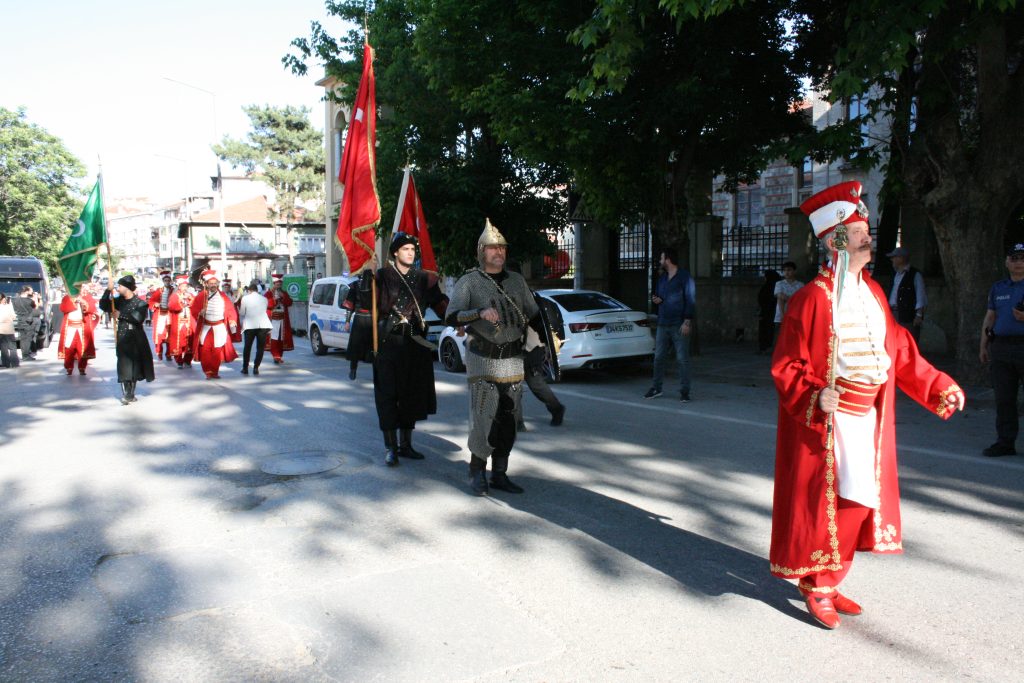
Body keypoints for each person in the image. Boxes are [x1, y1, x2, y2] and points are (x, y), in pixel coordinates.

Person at [771, 180, 965, 629]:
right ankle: (818, 585)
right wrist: (816, 394)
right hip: (829, 420)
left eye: (864, 229)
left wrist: (937, 386)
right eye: (858, 231)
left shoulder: (875, 291)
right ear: (835, 239)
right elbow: (786, 365)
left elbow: (898, 348)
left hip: (869, 417)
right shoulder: (810, 299)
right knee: (828, 503)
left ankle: (829, 579)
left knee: (858, 502)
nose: (867, 236)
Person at [446, 220, 545, 495]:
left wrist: (544, 345)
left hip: (513, 359)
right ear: (481, 251)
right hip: (483, 358)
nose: (498, 252)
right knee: (484, 417)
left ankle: (500, 473)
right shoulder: (469, 282)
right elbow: (452, 315)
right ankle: (477, 470)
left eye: (501, 247)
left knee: (508, 420)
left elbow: (534, 314)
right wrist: (478, 312)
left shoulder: (516, 281)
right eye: (492, 247)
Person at [371, 232, 448, 467]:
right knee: (387, 396)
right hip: (387, 343)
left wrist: (460, 320)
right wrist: (367, 278)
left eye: (413, 249)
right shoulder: (381, 276)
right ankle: (391, 448)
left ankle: (406, 445)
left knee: (411, 395)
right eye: (405, 249)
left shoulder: (424, 278)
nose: (410, 252)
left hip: (415, 343)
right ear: (395, 252)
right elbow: (365, 304)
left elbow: (441, 304)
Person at [979, 242, 1024, 457]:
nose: (1018, 263)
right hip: (1001, 348)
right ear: (1007, 262)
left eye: (1022, 258)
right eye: (1014, 258)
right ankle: (1005, 442)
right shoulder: (998, 288)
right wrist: (984, 346)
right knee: (1004, 398)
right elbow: (990, 318)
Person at [644, 248, 696, 402]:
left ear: (668, 260)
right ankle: (656, 388)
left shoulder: (684, 277)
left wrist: (687, 321)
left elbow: (690, 299)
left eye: (661, 259)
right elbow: (660, 297)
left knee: (682, 358)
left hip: (679, 323)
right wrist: (657, 300)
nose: (660, 262)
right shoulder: (662, 279)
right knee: (658, 357)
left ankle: (684, 391)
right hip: (663, 323)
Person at [99, 275, 156, 405]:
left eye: (120, 286)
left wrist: (121, 315)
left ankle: (130, 392)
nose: (118, 288)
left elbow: (138, 318)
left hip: (136, 336)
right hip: (123, 335)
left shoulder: (140, 303)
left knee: (135, 364)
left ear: (127, 288)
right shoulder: (118, 301)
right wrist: (108, 290)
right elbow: (103, 305)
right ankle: (127, 391)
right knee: (124, 363)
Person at [190, 270, 241, 379]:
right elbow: (193, 311)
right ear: (207, 284)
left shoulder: (223, 296)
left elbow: (230, 310)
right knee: (206, 350)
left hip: (219, 327)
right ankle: (208, 371)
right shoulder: (201, 296)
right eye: (211, 283)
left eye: (215, 283)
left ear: (217, 284)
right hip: (206, 327)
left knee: (217, 350)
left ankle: (215, 371)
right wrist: (200, 313)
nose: (213, 285)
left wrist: (232, 320)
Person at [886, 247, 927, 343]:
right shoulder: (894, 274)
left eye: (894, 257)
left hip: (907, 315)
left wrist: (918, 315)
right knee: (894, 341)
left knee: (908, 341)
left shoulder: (915, 274)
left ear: (901, 258)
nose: (892, 260)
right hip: (893, 312)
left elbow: (921, 295)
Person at [342, 269, 375, 380]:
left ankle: (354, 369)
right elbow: (350, 305)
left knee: (370, 347)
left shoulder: (374, 284)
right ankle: (353, 370)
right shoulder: (358, 285)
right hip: (367, 318)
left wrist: (347, 321)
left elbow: (349, 306)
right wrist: (347, 321)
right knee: (363, 346)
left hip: (365, 319)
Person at [57, 290, 98, 375]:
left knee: (82, 349)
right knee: (69, 348)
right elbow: (63, 308)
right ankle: (69, 367)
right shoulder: (67, 297)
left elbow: (92, 308)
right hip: (70, 327)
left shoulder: (87, 297)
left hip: (82, 327)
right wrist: (73, 301)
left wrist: (83, 301)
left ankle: (82, 367)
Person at [239, 284, 272, 375]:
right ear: (257, 290)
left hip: (250, 325)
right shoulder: (264, 299)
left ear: (249, 290)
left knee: (247, 347)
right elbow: (264, 310)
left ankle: (245, 368)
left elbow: (242, 312)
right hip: (263, 325)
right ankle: (256, 367)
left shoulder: (245, 298)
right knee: (260, 347)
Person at [167, 275, 196, 369]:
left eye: (186, 286)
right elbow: (172, 306)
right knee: (178, 342)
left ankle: (188, 360)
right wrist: (183, 303)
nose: (184, 288)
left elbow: (196, 305)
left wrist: (191, 301)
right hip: (178, 322)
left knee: (190, 341)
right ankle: (179, 360)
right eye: (183, 286)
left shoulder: (190, 295)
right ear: (179, 286)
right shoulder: (174, 295)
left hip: (189, 322)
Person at [265, 274, 294, 364]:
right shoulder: (269, 293)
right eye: (277, 284)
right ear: (274, 284)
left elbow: (289, 303)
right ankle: (275, 355)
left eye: (280, 284)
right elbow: (267, 305)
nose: (279, 285)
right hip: (273, 318)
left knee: (281, 337)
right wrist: (275, 300)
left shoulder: (284, 292)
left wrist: (283, 297)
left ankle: (279, 355)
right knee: (274, 337)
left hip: (283, 318)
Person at [147, 270, 175, 360]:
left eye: (168, 280)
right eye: (165, 281)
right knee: (159, 334)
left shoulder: (174, 290)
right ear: (163, 281)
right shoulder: (159, 291)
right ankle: (159, 352)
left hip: (170, 315)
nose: (167, 282)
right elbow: (151, 301)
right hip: (160, 316)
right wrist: (155, 304)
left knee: (170, 335)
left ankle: (169, 354)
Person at [757, 269, 782, 354]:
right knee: (768, 330)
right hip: (770, 312)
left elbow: (765, 299)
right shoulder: (775, 285)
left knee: (767, 330)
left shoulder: (770, 287)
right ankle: (766, 347)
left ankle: (765, 347)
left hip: (768, 312)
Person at [774, 261, 803, 329]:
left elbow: (801, 300)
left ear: (794, 271)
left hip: (795, 315)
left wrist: (788, 299)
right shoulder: (779, 284)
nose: (786, 272)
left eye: (789, 270)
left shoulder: (800, 285)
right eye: (784, 270)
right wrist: (793, 300)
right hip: (781, 317)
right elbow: (780, 296)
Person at [11, 286, 38, 361]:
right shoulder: (29, 301)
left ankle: (24, 354)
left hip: (19, 320)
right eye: (30, 290)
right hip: (28, 321)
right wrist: (35, 298)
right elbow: (35, 308)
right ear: (26, 291)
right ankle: (26, 355)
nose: (32, 292)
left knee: (22, 338)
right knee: (28, 339)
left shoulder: (14, 300)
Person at [0, 293, 17, 368]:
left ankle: (5, 363)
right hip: (9, 328)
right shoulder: (9, 307)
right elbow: (14, 317)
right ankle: (14, 362)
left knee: (3, 347)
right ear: (3, 299)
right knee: (12, 347)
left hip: (1, 328)